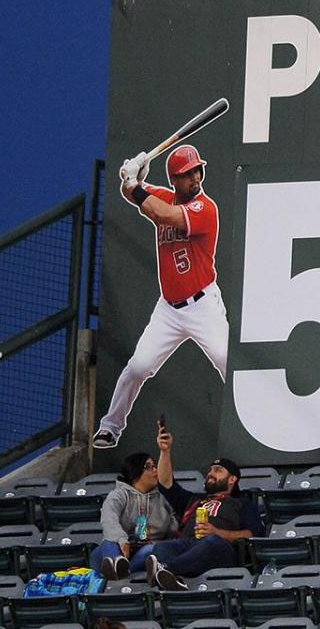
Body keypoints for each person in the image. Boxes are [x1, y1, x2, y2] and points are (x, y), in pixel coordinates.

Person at [92, 145, 229, 450]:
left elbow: (159, 212)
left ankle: (249, 421)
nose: (194, 177)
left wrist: (133, 186)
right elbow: (139, 197)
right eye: (186, 174)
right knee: (138, 366)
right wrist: (131, 178)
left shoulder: (205, 208)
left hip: (203, 304)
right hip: (168, 308)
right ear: (174, 180)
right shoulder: (165, 196)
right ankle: (110, 427)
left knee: (226, 360)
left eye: (196, 170)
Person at [144, 427, 264, 590]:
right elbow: (166, 483)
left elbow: (253, 533)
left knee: (211, 542)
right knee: (161, 547)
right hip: (189, 545)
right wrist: (165, 451)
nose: (211, 473)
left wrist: (218, 532)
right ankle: (173, 577)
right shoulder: (194, 499)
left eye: (218, 470)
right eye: (210, 470)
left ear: (232, 479)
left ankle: (168, 570)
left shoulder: (242, 503)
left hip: (221, 549)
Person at [91, 446, 178, 579]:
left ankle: (121, 572)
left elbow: (174, 529)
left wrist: (156, 540)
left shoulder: (164, 497)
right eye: (149, 467)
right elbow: (109, 519)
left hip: (144, 552)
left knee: (151, 551)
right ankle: (116, 564)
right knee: (108, 543)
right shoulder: (119, 495)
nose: (156, 470)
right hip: (118, 547)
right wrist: (122, 540)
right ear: (135, 472)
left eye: (155, 466)